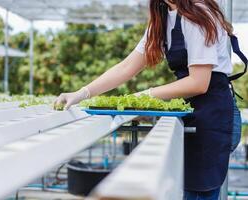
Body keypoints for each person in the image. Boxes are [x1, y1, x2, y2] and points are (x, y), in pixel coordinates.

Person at [54, 0, 247, 199]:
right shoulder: (163, 17)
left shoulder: (198, 14)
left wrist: (145, 95)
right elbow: (127, 67)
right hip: (192, 113)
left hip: (212, 117)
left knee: (197, 191)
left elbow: (199, 83)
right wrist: (82, 93)